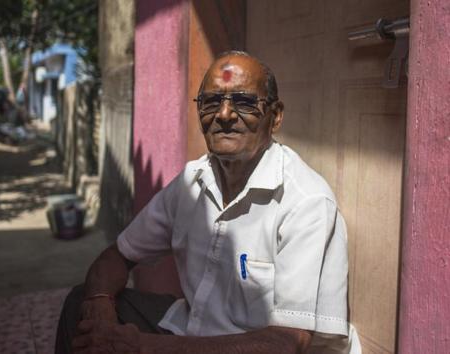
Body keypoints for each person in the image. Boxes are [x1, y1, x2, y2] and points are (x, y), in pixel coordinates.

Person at [55, 51, 360, 354]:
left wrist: (144, 346)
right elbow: (117, 256)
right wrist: (101, 307)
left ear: (275, 116)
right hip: (197, 333)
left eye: (243, 102)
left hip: (265, 348)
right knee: (81, 302)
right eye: (211, 102)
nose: (224, 115)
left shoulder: (305, 202)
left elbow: (286, 343)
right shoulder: (192, 181)